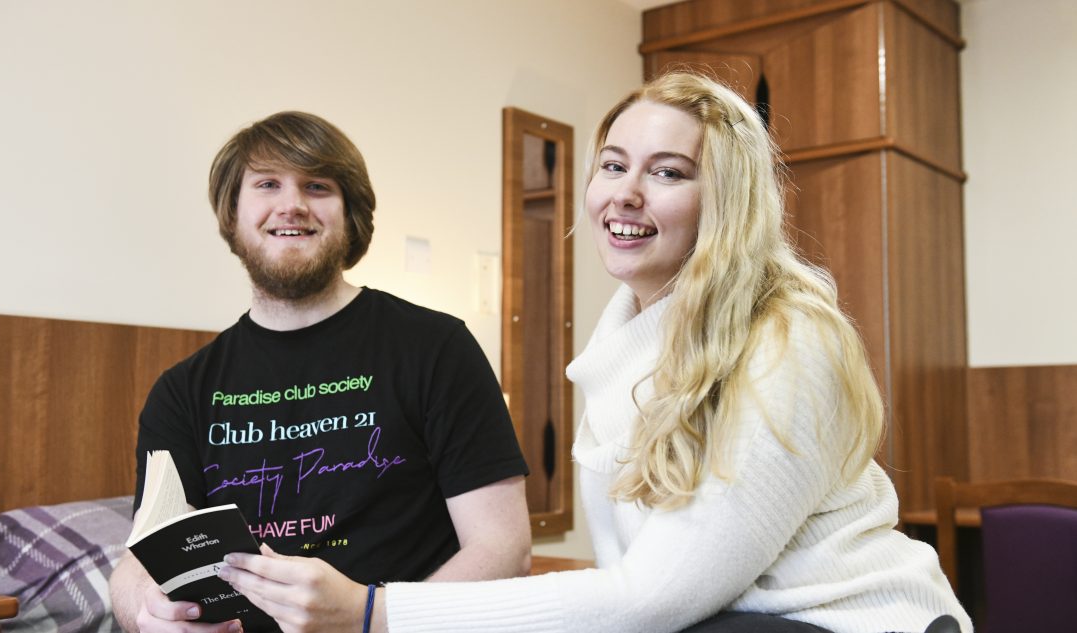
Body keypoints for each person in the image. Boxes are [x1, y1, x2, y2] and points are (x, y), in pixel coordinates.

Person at [217, 72, 974, 633]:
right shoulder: (620, 350)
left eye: (668, 172)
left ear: (726, 201)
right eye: (613, 165)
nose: (626, 193)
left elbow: (655, 595)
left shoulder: (785, 340)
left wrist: (374, 613)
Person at [108, 111, 532, 633]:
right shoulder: (182, 392)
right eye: (267, 184)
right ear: (233, 213)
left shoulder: (437, 348)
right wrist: (147, 612)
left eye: (317, 186)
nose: (292, 204)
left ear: (350, 214)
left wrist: (370, 618)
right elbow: (141, 559)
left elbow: (504, 549)